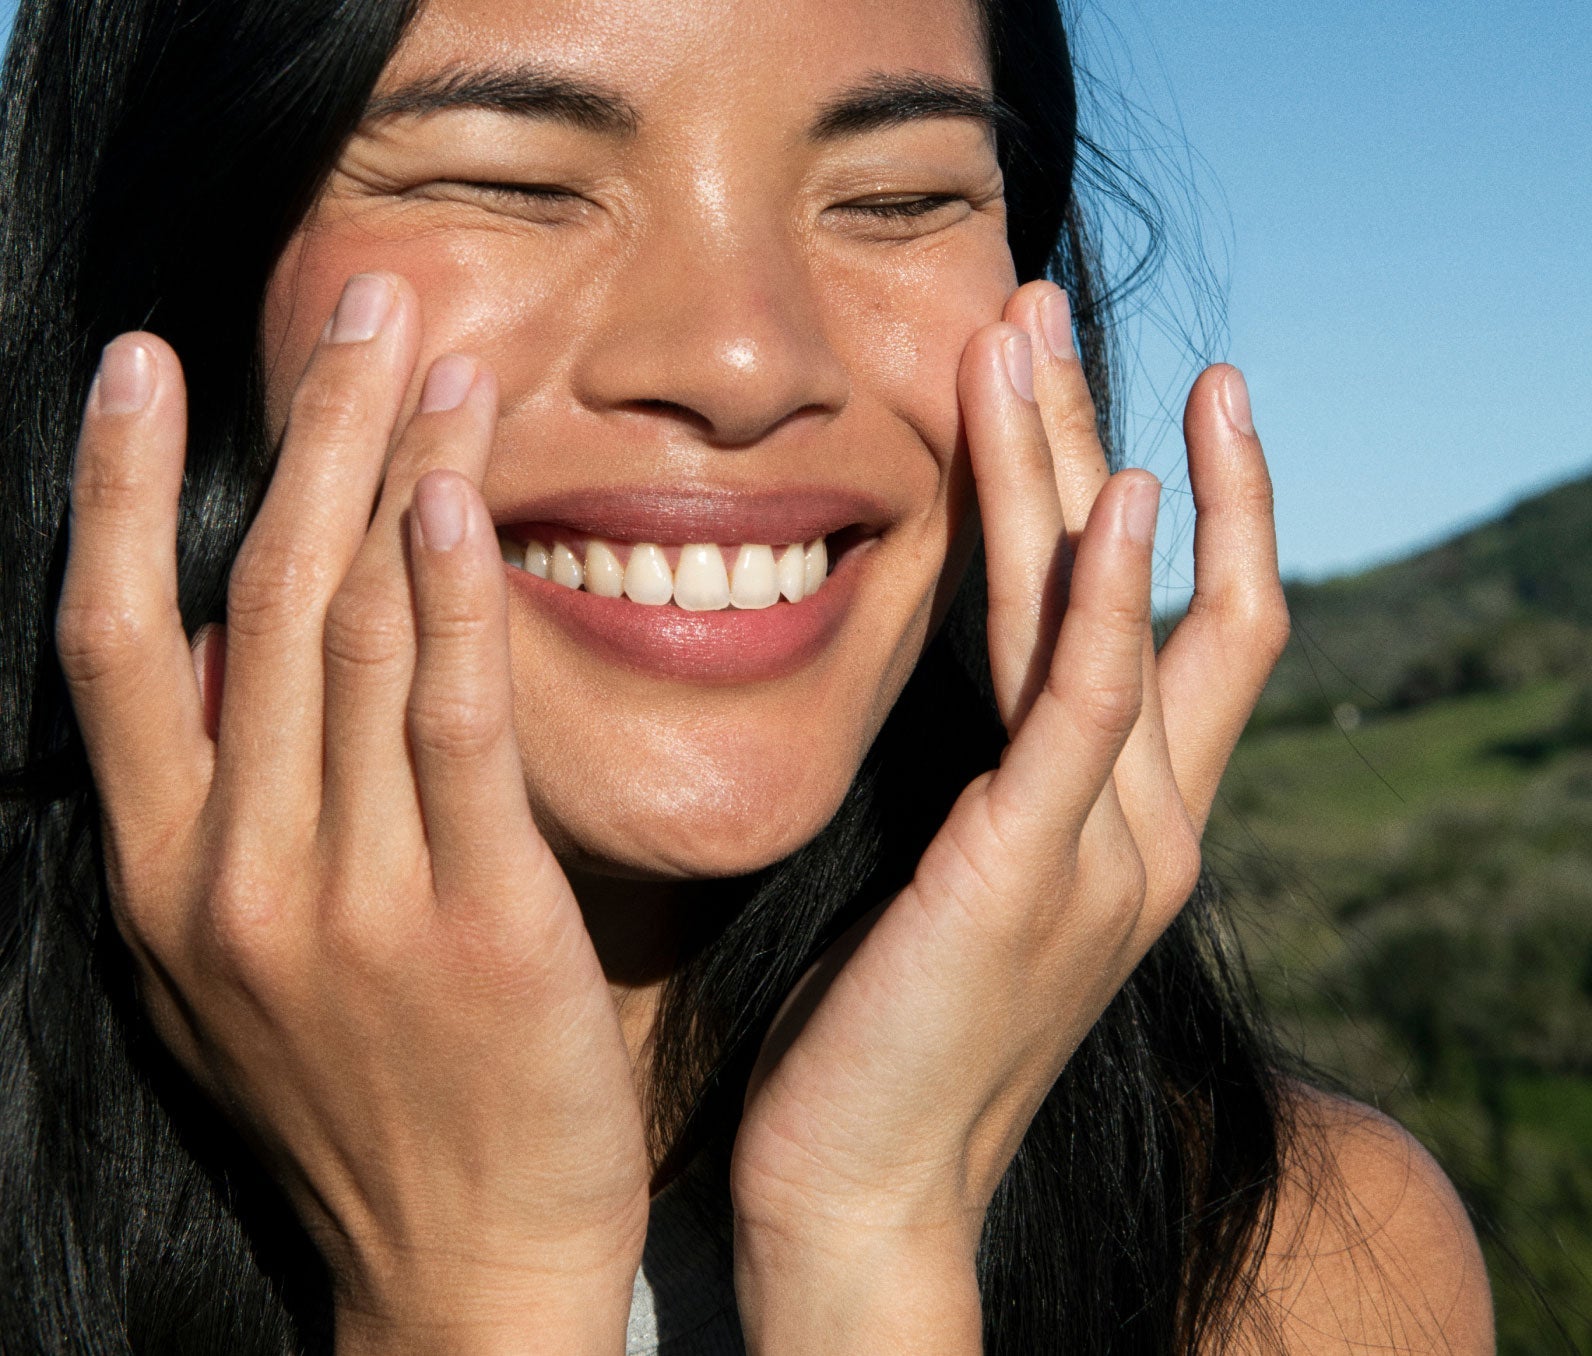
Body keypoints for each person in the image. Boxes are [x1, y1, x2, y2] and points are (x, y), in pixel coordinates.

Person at [0, 0, 1495, 1350]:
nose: (744, 358)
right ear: (173, 274)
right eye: (514, 181)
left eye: (899, 197)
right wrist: (477, 1282)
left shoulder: (1283, 1266)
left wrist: (872, 1246)